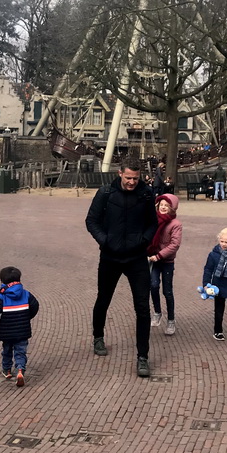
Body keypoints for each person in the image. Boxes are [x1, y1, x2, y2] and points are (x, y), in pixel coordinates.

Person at [85, 157, 159, 378]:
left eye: (135, 178)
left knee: (143, 307)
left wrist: (144, 240)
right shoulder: (105, 193)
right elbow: (91, 221)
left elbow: (153, 223)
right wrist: (105, 241)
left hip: (136, 257)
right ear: (120, 173)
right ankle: (98, 337)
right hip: (110, 256)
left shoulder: (146, 194)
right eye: (128, 178)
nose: (131, 182)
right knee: (103, 298)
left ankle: (142, 357)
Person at [0, 265, 40, 387]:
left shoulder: (1, 297)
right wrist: (27, 317)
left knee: (7, 350)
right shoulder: (26, 294)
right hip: (23, 330)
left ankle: (7, 370)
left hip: (7, 332)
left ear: (2, 281)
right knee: (20, 351)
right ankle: (20, 370)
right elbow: (35, 306)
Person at [147, 193, 182, 336]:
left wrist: (159, 255)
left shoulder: (175, 224)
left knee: (167, 291)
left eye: (166, 206)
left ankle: (171, 320)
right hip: (153, 260)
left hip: (166, 261)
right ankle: (157, 312)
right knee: (153, 285)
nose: (163, 208)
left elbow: (175, 244)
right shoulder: (153, 220)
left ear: (172, 208)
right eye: (161, 205)